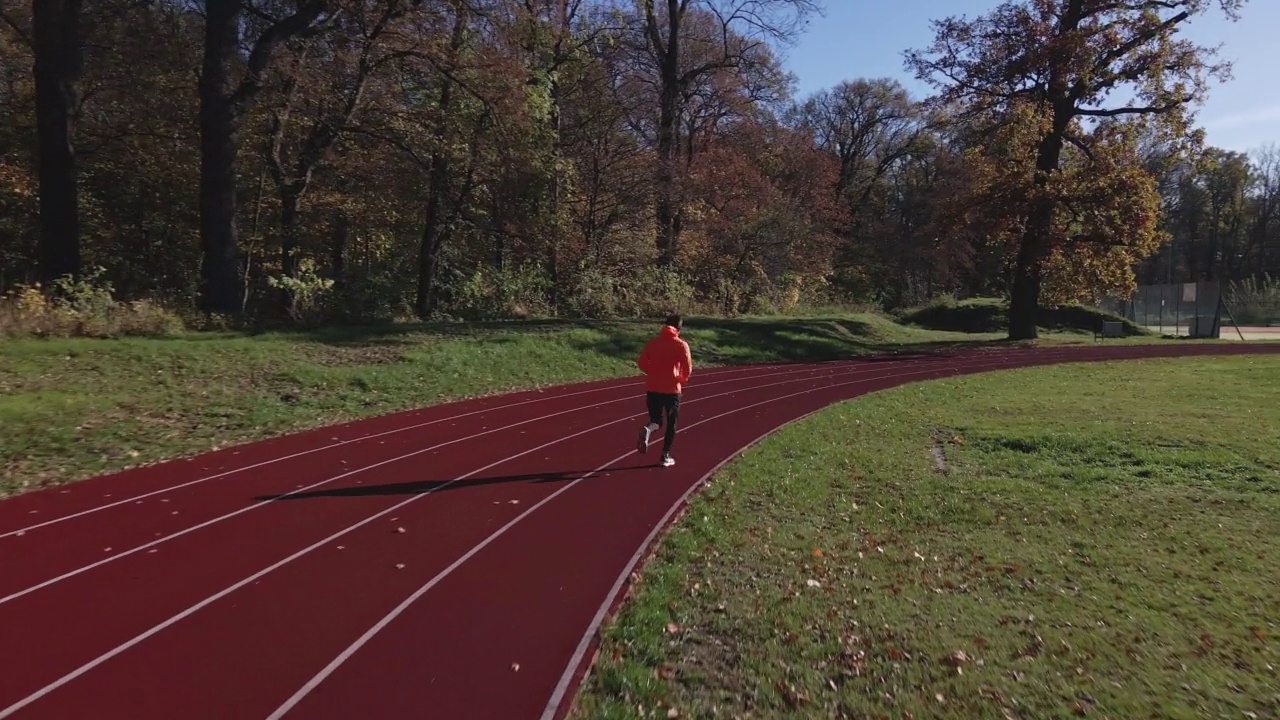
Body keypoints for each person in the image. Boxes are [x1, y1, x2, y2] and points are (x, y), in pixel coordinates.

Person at [634, 314, 692, 467]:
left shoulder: (653, 343)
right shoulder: (681, 345)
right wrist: (680, 379)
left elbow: (641, 362)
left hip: (653, 388)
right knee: (671, 423)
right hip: (672, 390)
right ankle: (665, 455)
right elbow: (687, 369)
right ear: (678, 328)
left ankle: (648, 429)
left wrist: (653, 373)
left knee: (656, 421)